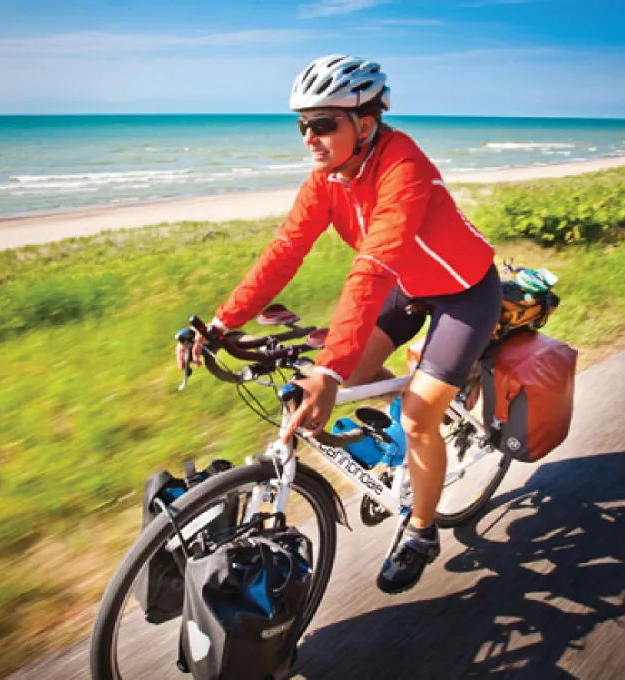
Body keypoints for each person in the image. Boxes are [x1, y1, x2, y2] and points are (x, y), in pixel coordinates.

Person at [176, 54, 503, 594]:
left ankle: (421, 530)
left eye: (323, 123)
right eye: (303, 124)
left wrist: (324, 371)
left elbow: (371, 268)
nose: (309, 136)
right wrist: (218, 324)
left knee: (420, 414)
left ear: (365, 123)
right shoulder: (327, 179)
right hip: (409, 284)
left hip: (465, 291)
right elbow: (284, 252)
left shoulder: (404, 167)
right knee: (351, 378)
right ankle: (393, 451)